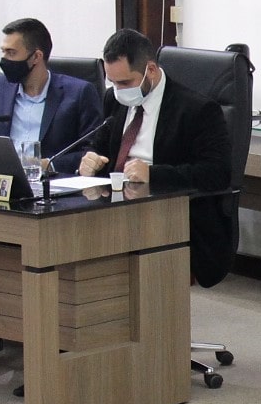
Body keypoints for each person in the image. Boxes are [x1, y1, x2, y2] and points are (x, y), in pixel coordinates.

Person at [0, 17, 102, 370]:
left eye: (11, 52)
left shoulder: (78, 93)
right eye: (2, 51)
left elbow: (94, 148)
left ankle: (56, 333)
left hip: (52, 193)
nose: (4, 59)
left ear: (36, 56)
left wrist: (52, 164)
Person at [78, 29, 235, 287]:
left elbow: (217, 173)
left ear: (150, 70)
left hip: (166, 215)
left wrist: (153, 173)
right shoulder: (114, 100)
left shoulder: (198, 110)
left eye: (125, 83)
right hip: (114, 206)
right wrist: (92, 158)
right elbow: (101, 143)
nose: (118, 90)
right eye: (112, 83)